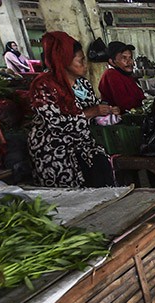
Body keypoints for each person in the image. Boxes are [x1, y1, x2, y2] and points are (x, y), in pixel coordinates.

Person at [28, 32, 119, 188]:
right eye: (80, 60)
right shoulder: (43, 86)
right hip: (55, 153)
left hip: (84, 147)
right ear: (63, 61)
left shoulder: (82, 83)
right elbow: (57, 123)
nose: (85, 64)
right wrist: (91, 112)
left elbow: (94, 106)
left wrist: (107, 111)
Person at [98, 41, 145, 112]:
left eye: (130, 58)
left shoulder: (126, 75)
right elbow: (126, 105)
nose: (130, 62)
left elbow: (140, 97)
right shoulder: (111, 74)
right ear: (112, 62)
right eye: (124, 58)